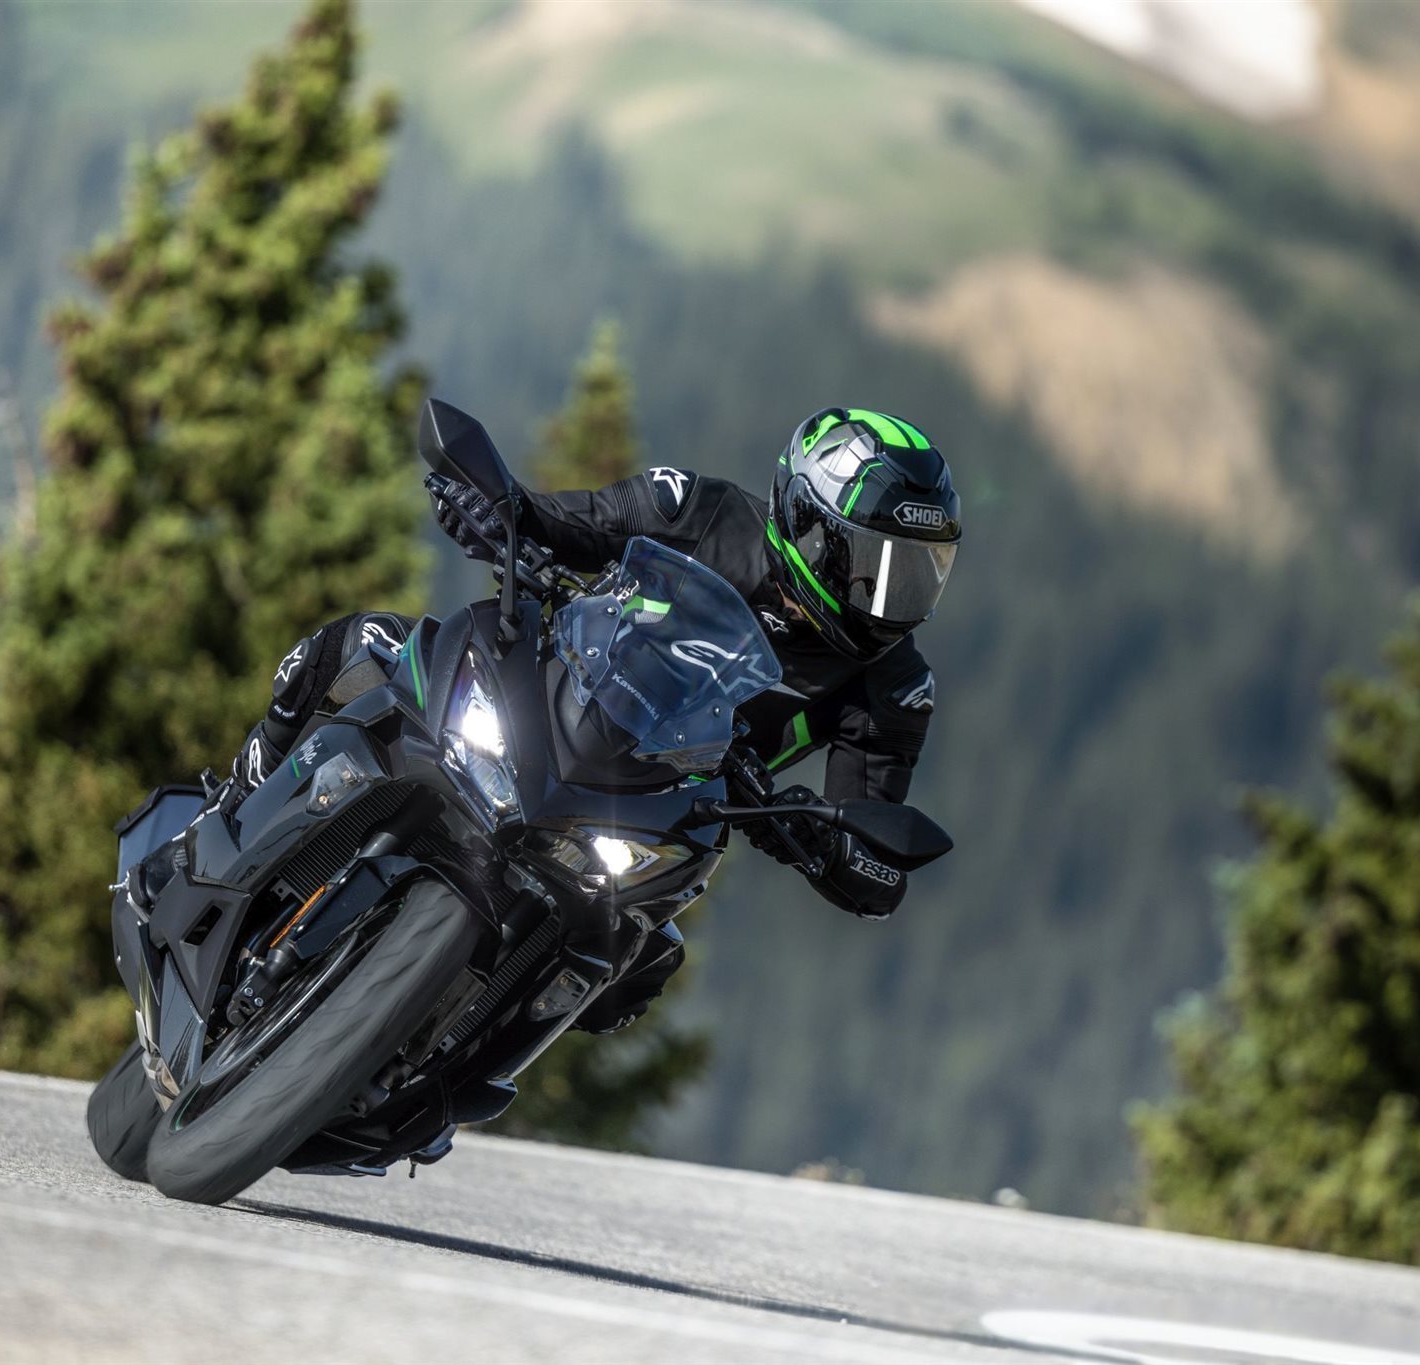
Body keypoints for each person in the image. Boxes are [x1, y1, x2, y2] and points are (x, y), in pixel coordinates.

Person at [140, 407, 961, 1032]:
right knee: (360, 645)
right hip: (561, 703)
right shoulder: (700, 511)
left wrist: (822, 839)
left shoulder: (894, 686)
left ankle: (436, 1069)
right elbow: (562, 521)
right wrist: (488, 511)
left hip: (668, 808)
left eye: (921, 573)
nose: (895, 597)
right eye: (879, 566)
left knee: (633, 966)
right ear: (812, 528)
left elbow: (872, 850)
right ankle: (222, 817)